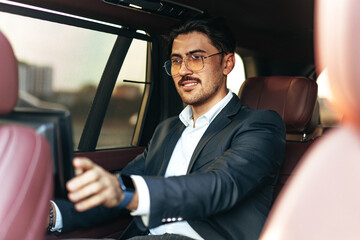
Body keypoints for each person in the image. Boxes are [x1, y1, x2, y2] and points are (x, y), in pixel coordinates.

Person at [49, 16, 286, 240]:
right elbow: (121, 186)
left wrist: (129, 194)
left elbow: (221, 185)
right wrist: (52, 214)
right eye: (176, 60)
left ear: (227, 63)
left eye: (196, 57)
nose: (183, 70)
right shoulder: (167, 130)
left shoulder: (260, 125)